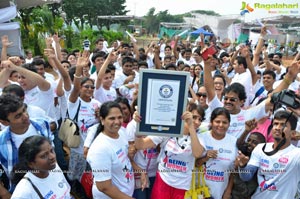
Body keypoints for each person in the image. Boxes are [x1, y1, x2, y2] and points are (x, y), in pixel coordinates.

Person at [134, 103, 205, 199]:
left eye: (200, 119)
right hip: (163, 181)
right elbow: (140, 145)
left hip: (182, 187)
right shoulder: (168, 131)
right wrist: (138, 128)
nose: (197, 122)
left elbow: (197, 153)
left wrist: (191, 126)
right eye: (194, 117)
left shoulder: (200, 138)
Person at [238, 110, 300, 199]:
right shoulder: (260, 148)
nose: (278, 128)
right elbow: (246, 177)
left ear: (293, 133)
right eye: (275, 124)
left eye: (283, 125)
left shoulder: (297, 155)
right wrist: (243, 166)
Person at [0, 94, 53, 197]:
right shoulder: (1, 142)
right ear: (5, 122)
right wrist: (4, 193)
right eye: (18, 116)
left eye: (24, 110)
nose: (25, 116)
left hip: (50, 181)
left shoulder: (43, 125)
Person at [86, 101, 135, 199]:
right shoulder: (100, 149)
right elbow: (104, 187)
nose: (117, 122)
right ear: (102, 120)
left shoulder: (122, 132)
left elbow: (125, 159)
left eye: (119, 117)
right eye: (112, 118)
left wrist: (141, 171)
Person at [196, 107, 237, 199]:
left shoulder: (234, 142)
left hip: (220, 192)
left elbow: (233, 171)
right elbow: (193, 164)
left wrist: (228, 191)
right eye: (217, 121)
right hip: (199, 192)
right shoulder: (201, 138)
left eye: (225, 122)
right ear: (211, 122)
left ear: (229, 124)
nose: (221, 125)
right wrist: (205, 158)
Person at [231, 120, 266, 199]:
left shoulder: (260, 161)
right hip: (235, 194)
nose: (249, 143)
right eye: (249, 140)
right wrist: (246, 131)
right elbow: (239, 143)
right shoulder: (244, 153)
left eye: (254, 142)